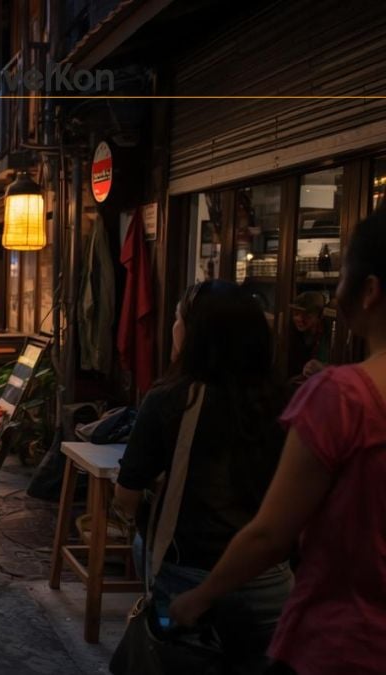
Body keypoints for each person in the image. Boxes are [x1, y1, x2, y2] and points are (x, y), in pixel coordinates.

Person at [169, 211, 386, 674]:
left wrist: (199, 598)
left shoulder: (342, 396)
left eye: (343, 273)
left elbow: (270, 534)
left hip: (345, 640)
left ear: (369, 291)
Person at [112, 280, 292, 672]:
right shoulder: (285, 400)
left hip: (188, 576)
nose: (173, 327)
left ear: (194, 335)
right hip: (271, 581)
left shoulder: (170, 399)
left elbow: (126, 497)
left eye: (178, 319)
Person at [285, 290, 330, 382]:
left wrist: (323, 367)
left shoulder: (327, 333)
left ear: (320, 317)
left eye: (307, 316)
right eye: (296, 314)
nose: (299, 319)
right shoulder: (291, 331)